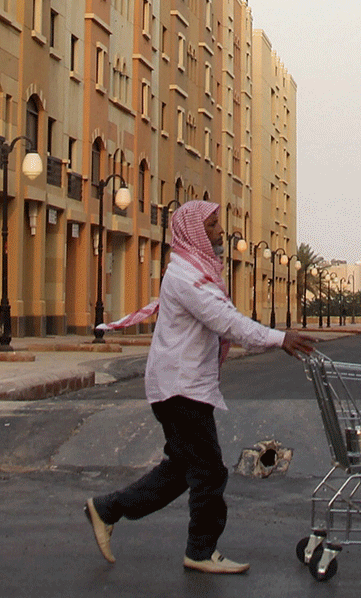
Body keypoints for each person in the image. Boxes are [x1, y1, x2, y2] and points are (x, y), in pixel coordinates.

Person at [83, 200, 314, 575]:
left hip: (183, 387)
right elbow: (226, 321)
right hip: (180, 389)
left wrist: (273, 339)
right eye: (211, 226)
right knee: (209, 472)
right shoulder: (186, 278)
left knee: (182, 469)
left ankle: (108, 509)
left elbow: (228, 323)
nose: (220, 232)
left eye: (218, 224)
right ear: (193, 232)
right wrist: (279, 338)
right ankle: (201, 551)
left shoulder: (197, 273)